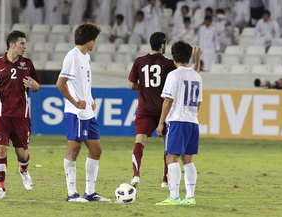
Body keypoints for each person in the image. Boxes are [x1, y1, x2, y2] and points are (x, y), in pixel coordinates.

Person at [128, 32, 201, 188]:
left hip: (145, 109)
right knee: (168, 147)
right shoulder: (168, 63)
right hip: (165, 111)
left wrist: (147, 87)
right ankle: (165, 180)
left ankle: (135, 175)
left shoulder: (139, 61)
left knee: (139, 142)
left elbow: (132, 85)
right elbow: (187, 74)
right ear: (163, 45)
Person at [0, 30, 40, 199]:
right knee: (2, 148)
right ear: (12, 45)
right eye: (22, 44)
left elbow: (36, 86)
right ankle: (1, 189)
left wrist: (35, 85)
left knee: (22, 154)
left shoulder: (27, 64)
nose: (25, 47)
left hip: (21, 116)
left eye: (25, 44)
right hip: (1, 115)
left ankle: (24, 170)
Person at [55, 22, 110, 202]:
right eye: (95, 40)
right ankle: (72, 193)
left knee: (96, 150)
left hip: (88, 112)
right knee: (74, 149)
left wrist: (90, 100)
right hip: (75, 112)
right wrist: (75, 102)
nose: (95, 43)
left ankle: (90, 192)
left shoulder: (85, 57)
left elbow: (84, 84)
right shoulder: (72, 56)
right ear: (90, 40)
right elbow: (60, 84)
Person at [155, 40, 203, 206]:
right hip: (192, 122)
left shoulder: (173, 75)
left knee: (172, 158)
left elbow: (168, 101)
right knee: (188, 159)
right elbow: (198, 102)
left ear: (173, 57)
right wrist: (197, 60)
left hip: (177, 121)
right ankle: (190, 197)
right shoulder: (196, 75)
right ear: (189, 57)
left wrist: (161, 123)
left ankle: (174, 197)